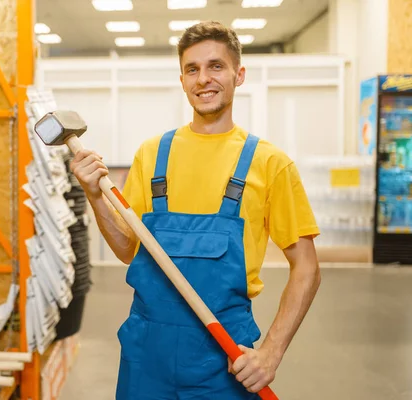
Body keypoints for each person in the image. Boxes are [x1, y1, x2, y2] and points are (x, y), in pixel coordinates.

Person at [70, 20, 322, 399]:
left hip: (223, 358)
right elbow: (127, 249)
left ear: (239, 74)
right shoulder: (152, 154)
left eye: (216, 66)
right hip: (146, 355)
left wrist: (270, 353)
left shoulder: (269, 163)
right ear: (183, 78)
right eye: (193, 69)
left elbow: (307, 267)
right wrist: (93, 194)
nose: (203, 78)